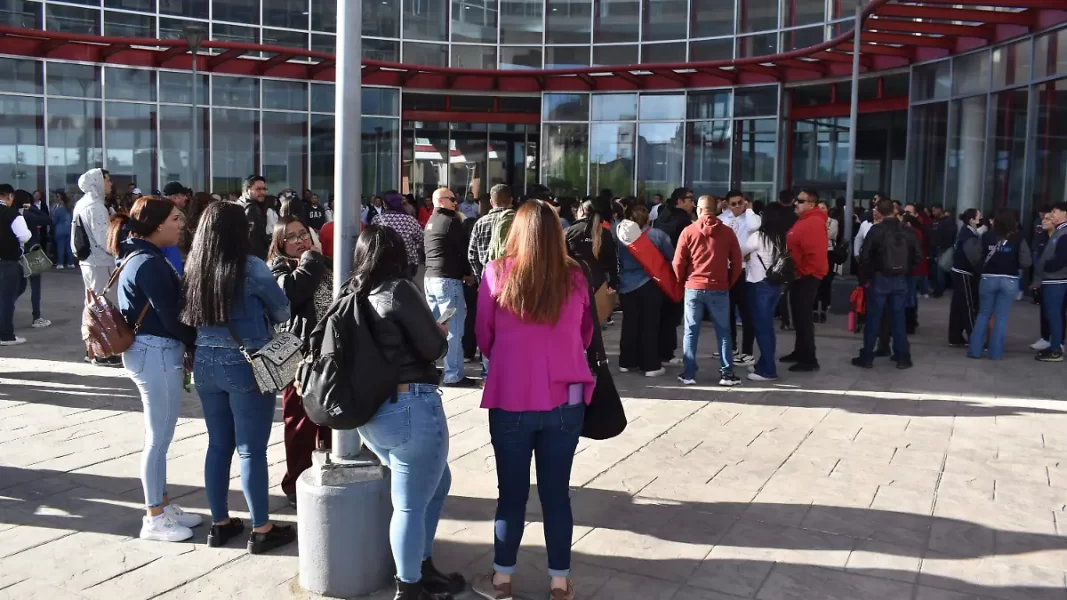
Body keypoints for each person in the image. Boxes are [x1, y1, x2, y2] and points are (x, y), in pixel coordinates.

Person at [471, 201, 593, 600]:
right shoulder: (575, 276)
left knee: (512, 494)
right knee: (557, 494)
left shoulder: (496, 272)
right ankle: (559, 583)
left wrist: (511, 355)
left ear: (516, 231)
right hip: (567, 395)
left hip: (511, 396)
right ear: (557, 233)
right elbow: (586, 334)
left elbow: (483, 337)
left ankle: (502, 581)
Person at [350, 225, 463, 600]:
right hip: (411, 405)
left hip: (374, 412)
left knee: (437, 482)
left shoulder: (355, 292)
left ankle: (422, 566)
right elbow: (432, 348)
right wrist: (440, 330)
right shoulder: (398, 288)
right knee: (411, 504)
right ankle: (409, 586)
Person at [180, 202, 295, 555]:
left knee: (218, 445)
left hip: (205, 361)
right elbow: (283, 309)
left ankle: (220, 523)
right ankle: (261, 527)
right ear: (236, 232)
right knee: (251, 449)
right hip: (244, 361)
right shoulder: (251, 267)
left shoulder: (193, 266)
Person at [106, 196, 202, 541]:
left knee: (161, 435)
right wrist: (197, 341)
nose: (181, 224)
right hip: (155, 353)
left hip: (153, 352)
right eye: (176, 219)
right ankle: (154, 517)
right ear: (158, 224)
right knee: (158, 439)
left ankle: (162, 503)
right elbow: (173, 318)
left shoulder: (141, 256)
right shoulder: (149, 263)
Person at [268, 216, 333, 509]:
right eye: (291, 237)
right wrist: (310, 257)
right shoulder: (279, 268)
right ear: (280, 244)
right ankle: (295, 482)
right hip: (298, 356)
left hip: (330, 354)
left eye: (303, 234)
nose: (299, 240)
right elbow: (292, 292)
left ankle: (329, 470)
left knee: (331, 417)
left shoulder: (325, 262)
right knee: (299, 421)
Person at [673, 195, 743, 387]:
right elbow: (737, 262)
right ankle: (727, 374)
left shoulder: (688, 231)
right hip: (719, 286)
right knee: (723, 332)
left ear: (699, 210)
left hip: (694, 287)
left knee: (691, 331)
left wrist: (683, 282)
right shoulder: (728, 233)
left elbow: (678, 262)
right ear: (716, 209)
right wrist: (728, 281)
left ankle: (688, 374)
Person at [852, 199, 922, 369]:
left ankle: (867, 356)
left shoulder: (876, 230)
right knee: (898, 318)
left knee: (873, 318)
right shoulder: (907, 231)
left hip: (880, 278)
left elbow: (865, 257)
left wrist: (865, 278)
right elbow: (918, 257)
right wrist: (906, 271)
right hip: (900, 278)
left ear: (879, 213)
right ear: (895, 211)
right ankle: (902, 356)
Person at [423, 187, 478, 388]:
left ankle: (428, 369)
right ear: (443, 200)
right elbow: (462, 251)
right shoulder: (451, 221)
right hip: (447, 282)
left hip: (431, 280)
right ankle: (453, 374)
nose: (456, 203)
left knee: (435, 327)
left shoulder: (431, 221)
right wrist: (468, 274)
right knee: (454, 329)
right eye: (453, 199)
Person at [615, 202, 674, 377]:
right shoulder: (658, 235)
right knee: (650, 325)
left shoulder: (618, 235)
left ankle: (626, 362)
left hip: (626, 284)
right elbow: (671, 257)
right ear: (648, 218)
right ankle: (650, 365)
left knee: (629, 324)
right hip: (650, 283)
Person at [73, 169, 123, 364]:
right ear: (97, 182)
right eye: (107, 180)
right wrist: (122, 246)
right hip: (100, 262)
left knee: (94, 305)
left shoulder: (84, 203)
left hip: (90, 262)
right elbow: (105, 240)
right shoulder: (95, 206)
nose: (110, 184)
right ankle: (105, 353)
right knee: (105, 308)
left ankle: (94, 350)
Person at [967, 209, 1032, 360]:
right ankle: (995, 353)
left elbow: (976, 256)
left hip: (988, 278)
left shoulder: (987, 236)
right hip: (1009, 279)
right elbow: (1026, 262)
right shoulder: (1019, 238)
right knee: (1001, 317)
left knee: (983, 314)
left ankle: (974, 351)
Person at [781, 189, 829, 372]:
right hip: (801, 274)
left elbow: (815, 256)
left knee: (803, 317)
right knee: (799, 316)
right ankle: (800, 352)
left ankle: (809, 358)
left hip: (807, 276)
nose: (796, 203)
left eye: (800, 201)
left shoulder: (813, 222)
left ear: (811, 204)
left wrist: (801, 272)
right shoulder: (805, 220)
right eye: (796, 200)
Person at [743, 203, 790, 381]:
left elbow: (741, 251)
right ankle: (763, 363)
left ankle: (768, 370)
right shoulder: (782, 238)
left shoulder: (758, 237)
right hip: (775, 285)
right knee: (768, 327)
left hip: (758, 284)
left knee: (762, 328)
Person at [719, 190, 760, 366]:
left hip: (745, 270)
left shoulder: (751, 217)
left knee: (746, 312)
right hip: (726, 269)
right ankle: (732, 346)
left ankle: (748, 351)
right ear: (727, 204)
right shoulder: (722, 219)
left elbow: (753, 227)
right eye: (733, 203)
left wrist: (749, 209)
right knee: (727, 311)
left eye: (740, 202)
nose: (737, 206)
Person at [565, 198, 620, 299]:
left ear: (581, 211)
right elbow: (612, 260)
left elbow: (562, 258)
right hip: (599, 282)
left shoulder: (569, 231)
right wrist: (613, 283)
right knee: (597, 314)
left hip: (575, 283)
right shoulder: (605, 233)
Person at [1034, 202, 1067, 362]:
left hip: (1057, 281)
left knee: (1054, 315)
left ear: (1064, 213)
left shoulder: (1064, 233)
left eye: (1054, 211)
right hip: (1051, 280)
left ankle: (1056, 350)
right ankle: (1054, 345)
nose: (1051, 215)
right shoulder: (1059, 231)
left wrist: (1046, 266)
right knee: (1052, 314)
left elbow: (1061, 259)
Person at [0, 184, 31, 346]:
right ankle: (5, 334)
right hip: (8, 261)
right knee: (8, 297)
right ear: (10, 196)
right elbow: (24, 236)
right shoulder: (12, 215)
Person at [948, 208, 984, 346]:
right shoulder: (968, 235)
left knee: (958, 306)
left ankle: (955, 336)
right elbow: (974, 258)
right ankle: (975, 338)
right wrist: (981, 271)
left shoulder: (966, 232)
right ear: (972, 220)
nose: (981, 219)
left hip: (959, 272)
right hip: (964, 273)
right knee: (969, 306)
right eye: (979, 217)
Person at [468, 184, 514, 281]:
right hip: (511, 277)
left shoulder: (480, 223)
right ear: (511, 200)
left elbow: (472, 255)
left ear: (491, 202)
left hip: (488, 277)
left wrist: (480, 277)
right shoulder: (518, 220)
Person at [372, 192, 425, 277]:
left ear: (385, 204)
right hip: (407, 262)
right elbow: (421, 238)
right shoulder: (410, 220)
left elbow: (372, 239)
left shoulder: (377, 219)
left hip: (384, 261)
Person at [814, 200, 840, 323]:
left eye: (823, 208)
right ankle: (814, 310)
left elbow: (830, 234)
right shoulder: (812, 220)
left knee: (826, 281)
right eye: (818, 208)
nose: (820, 210)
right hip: (815, 253)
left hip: (828, 252)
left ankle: (823, 309)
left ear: (827, 209)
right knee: (815, 281)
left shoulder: (833, 222)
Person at [238, 175, 270, 260]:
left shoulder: (238, 205)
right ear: (247, 190)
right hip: (253, 258)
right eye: (258, 189)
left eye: (264, 189)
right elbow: (255, 239)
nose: (262, 192)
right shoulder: (251, 209)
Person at [930, 204, 956, 297]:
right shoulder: (935, 221)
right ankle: (938, 288)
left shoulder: (948, 221)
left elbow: (951, 235)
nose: (933, 213)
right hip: (935, 247)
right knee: (937, 269)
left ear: (940, 209)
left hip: (944, 247)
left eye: (935, 210)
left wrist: (946, 245)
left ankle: (940, 289)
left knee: (941, 269)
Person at [51, 191, 74, 269]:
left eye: (57, 196)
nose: (55, 198)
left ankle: (60, 263)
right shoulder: (69, 207)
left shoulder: (57, 208)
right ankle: (71, 262)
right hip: (69, 229)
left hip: (59, 229)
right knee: (69, 247)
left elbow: (54, 220)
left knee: (60, 247)